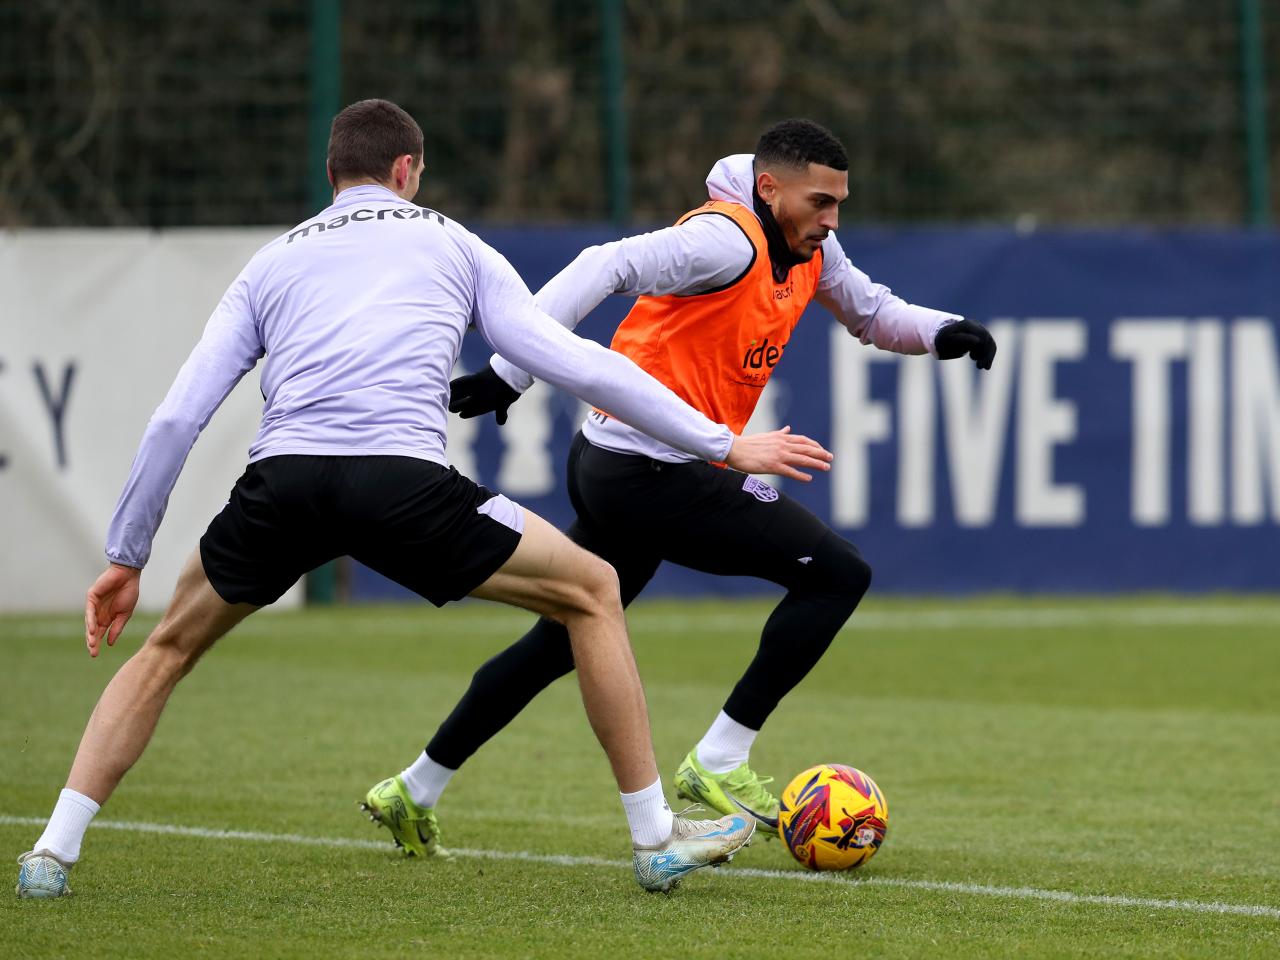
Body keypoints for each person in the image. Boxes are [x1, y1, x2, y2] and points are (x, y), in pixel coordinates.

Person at [15, 100, 834, 900]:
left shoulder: (272, 260)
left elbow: (176, 418)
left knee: (164, 653)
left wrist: (126, 557)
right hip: (400, 485)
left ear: (331, 173)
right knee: (594, 590)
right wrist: (723, 443)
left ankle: (53, 851)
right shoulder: (453, 244)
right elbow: (581, 364)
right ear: (407, 171)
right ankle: (656, 839)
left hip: (283, 484)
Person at [408, 119, 997, 844]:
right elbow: (603, 264)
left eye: (840, 203)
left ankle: (416, 786)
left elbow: (872, 313)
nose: (832, 219)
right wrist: (509, 367)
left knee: (567, 637)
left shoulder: (812, 244)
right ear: (769, 187)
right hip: (645, 471)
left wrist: (944, 330)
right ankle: (719, 758)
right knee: (837, 574)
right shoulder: (725, 240)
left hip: (623, 466)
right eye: (820, 202)